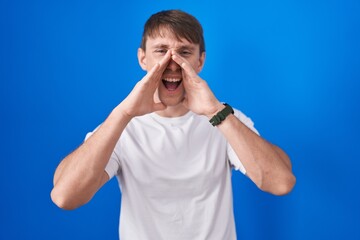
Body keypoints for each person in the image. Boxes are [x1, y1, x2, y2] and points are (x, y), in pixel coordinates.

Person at [51, 9, 296, 240]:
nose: (172, 62)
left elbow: (281, 182)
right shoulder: (122, 125)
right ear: (142, 58)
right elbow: (65, 196)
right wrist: (124, 113)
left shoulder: (224, 118)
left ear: (200, 61)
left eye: (184, 52)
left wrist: (216, 112)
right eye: (161, 51)